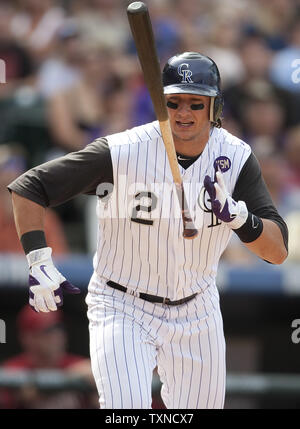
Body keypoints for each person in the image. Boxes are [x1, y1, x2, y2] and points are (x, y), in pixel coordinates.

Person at [7, 52, 288, 409]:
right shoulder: (123, 150)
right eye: (174, 102)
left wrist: (239, 218)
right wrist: (38, 259)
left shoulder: (236, 158)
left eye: (195, 103)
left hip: (196, 306)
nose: (183, 113)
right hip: (123, 303)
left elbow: (277, 252)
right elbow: (29, 186)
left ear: (214, 107)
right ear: (161, 102)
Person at [0, 305, 97, 409]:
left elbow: (94, 374)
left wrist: (64, 380)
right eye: (48, 330)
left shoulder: (76, 365)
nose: (57, 335)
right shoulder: (13, 369)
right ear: (27, 337)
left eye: (60, 328)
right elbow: (21, 393)